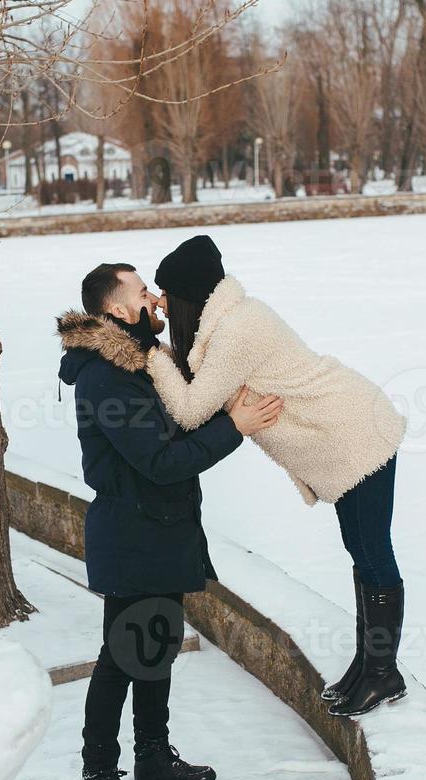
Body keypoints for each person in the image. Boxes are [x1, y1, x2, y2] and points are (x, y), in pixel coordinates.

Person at [142, 235, 409, 719]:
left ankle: (383, 673)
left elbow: (188, 410)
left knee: (372, 551)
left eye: (164, 292)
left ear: (188, 294)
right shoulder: (223, 326)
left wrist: (152, 354)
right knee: (362, 550)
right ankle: (370, 665)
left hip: (355, 431)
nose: (159, 301)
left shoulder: (239, 330)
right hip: (340, 436)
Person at [57, 262, 283, 780]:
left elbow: (174, 430)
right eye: (142, 292)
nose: (155, 299)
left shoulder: (142, 364)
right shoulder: (106, 376)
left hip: (158, 529)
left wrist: (225, 411)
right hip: (133, 535)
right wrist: (237, 427)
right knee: (122, 657)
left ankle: (153, 758)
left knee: (156, 647)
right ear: (115, 310)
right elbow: (160, 461)